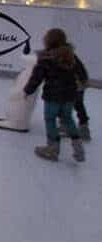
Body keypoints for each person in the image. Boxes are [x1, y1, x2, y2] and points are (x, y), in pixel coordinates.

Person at [25, 27, 88, 162]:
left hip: (53, 96)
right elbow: (82, 73)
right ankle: (78, 149)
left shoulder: (46, 58)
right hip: (70, 96)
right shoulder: (71, 55)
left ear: (48, 41)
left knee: (50, 120)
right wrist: (82, 84)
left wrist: (27, 91)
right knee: (68, 118)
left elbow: (37, 78)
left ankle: (52, 149)